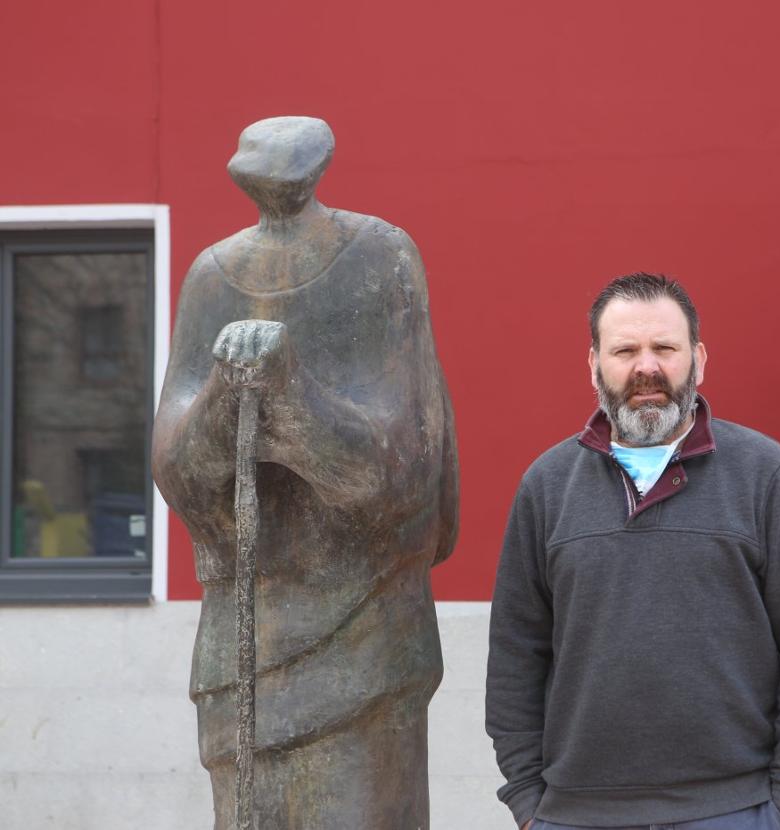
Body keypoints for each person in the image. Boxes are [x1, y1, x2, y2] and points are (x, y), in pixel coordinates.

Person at [152, 116, 458, 829]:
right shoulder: (211, 276)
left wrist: (293, 394)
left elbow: (408, 464)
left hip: (363, 629)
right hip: (244, 632)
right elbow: (177, 467)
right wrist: (229, 395)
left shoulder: (382, 258)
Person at [486, 273, 780, 830]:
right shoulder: (547, 485)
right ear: (594, 363)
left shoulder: (766, 474)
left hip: (735, 810)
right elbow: (516, 652)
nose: (646, 367)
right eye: (625, 350)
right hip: (575, 815)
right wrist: (528, 800)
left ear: (698, 358)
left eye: (665, 348)